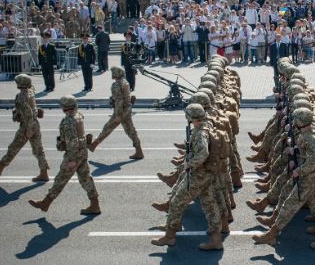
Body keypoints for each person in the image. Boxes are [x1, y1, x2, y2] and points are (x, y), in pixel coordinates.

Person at [252, 107, 315, 249]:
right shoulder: (306, 134)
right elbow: (305, 153)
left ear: (301, 121)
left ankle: (271, 234)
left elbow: (314, 160)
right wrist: (294, 150)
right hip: (308, 176)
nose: (294, 121)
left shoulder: (311, 138)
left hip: (308, 177)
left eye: (296, 119)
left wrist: (299, 171)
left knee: (290, 204)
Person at [151, 103, 224, 250]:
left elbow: (203, 153)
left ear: (191, 117)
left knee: (176, 202)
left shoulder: (200, 133)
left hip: (198, 176)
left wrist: (190, 164)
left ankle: (169, 237)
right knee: (210, 206)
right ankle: (216, 240)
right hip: (207, 174)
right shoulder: (206, 127)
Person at [28, 95, 100, 215]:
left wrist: (72, 160)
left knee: (61, 179)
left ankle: (46, 203)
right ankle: (95, 205)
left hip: (74, 154)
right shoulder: (78, 116)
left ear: (64, 106)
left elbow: (72, 142)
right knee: (85, 178)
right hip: (82, 151)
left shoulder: (68, 122)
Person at [0, 74, 49, 181]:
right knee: (38, 150)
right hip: (35, 124)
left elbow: (28, 114)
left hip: (27, 125)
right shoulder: (30, 92)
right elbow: (32, 108)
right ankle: (44, 173)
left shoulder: (21, 96)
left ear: (21, 84)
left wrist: (28, 129)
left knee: (13, 147)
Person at [89, 66, 143, 159]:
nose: (112, 74)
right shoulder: (125, 82)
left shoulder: (116, 84)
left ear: (116, 73)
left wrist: (118, 115)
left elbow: (119, 101)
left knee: (107, 127)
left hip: (121, 111)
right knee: (131, 131)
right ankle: (139, 151)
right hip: (127, 109)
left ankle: (94, 145)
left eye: (113, 72)